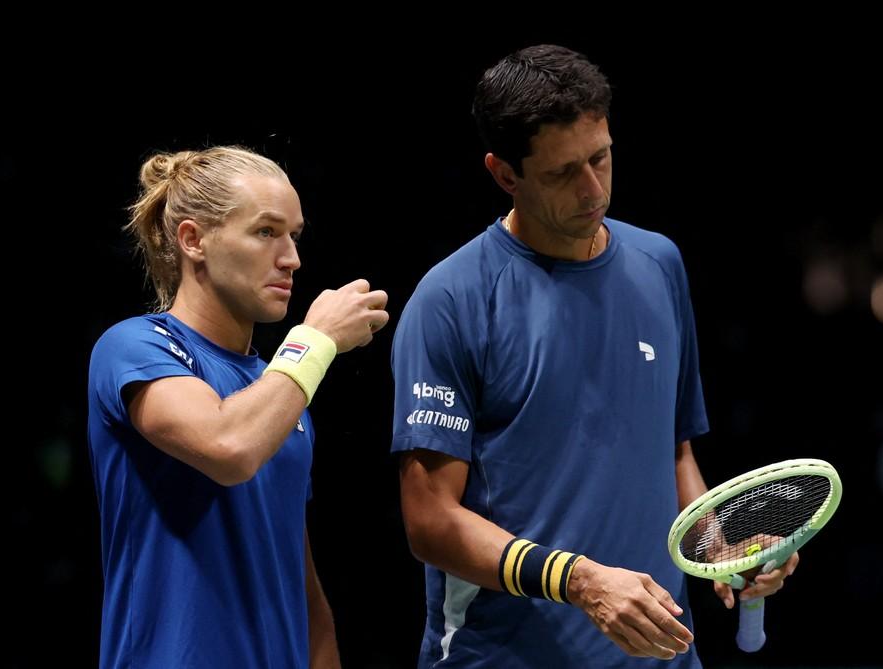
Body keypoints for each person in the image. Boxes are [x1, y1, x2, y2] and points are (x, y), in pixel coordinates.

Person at [390, 45, 799, 667]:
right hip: (503, 658)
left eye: (601, 158)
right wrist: (578, 580)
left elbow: (674, 451)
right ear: (505, 174)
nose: (592, 190)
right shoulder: (451, 299)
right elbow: (430, 521)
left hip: (663, 655)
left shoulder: (659, 262)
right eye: (561, 173)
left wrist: (718, 549)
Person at [87, 146, 389, 668]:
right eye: (266, 231)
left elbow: (300, 583)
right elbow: (228, 446)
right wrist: (314, 340)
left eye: (295, 235)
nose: (292, 257)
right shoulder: (134, 347)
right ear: (193, 240)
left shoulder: (279, 389)